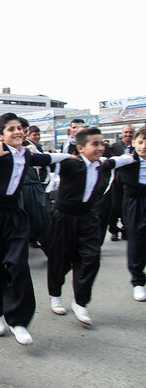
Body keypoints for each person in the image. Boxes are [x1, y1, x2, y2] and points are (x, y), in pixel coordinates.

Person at [0, 112, 71, 346]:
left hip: (14, 216)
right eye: (11, 129)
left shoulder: (28, 154)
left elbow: (48, 159)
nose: (18, 132)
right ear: (0, 135)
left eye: (20, 128)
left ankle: (18, 320)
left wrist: (73, 156)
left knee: (17, 265)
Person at [46, 128, 134, 324]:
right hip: (64, 217)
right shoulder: (70, 164)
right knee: (60, 259)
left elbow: (123, 159)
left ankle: (81, 303)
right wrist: (67, 155)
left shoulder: (104, 165)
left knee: (91, 258)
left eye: (101, 143)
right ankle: (56, 295)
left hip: (88, 217)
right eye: (94, 144)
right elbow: (44, 159)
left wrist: (134, 155)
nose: (100, 148)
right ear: (80, 148)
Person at [115, 126, 146, 302]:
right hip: (134, 203)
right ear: (133, 142)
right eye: (140, 142)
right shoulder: (127, 159)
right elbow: (108, 162)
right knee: (136, 240)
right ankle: (138, 282)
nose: (143, 146)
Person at [21, 124, 51, 249]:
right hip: (16, 191)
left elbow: (45, 163)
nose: (20, 134)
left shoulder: (33, 147)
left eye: (23, 131)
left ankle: (52, 252)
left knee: (41, 220)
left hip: (33, 186)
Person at [109, 124, 136, 241]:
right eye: (126, 132)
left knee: (128, 206)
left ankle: (125, 229)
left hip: (131, 181)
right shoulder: (114, 147)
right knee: (114, 207)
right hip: (116, 181)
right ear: (122, 133)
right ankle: (113, 230)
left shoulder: (137, 146)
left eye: (130, 132)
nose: (128, 134)